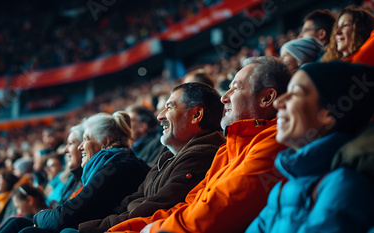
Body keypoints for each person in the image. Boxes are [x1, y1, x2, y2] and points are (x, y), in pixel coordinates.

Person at [108, 56, 290, 233]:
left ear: (267, 98)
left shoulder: (275, 143)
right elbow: (188, 206)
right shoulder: (225, 150)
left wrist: (151, 230)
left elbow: (212, 216)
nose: (224, 97)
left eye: (235, 88)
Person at [78, 82, 226, 233]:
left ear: (196, 115)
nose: (160, 115)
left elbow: (149, 210)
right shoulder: (167, 158)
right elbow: (130, 202)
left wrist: (87, 229)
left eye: (169, 107)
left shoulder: (202, 155)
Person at [246, 61, 374, 232]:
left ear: (328, 113)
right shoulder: (283, 185)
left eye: (295, 93)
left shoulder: (344, 185)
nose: (278, 102)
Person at [0, 111, 150, 233]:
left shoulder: (115, 169)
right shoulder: (117, 163)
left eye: (86, 139)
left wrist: (38, 216)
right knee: (17, 223)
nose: (81, 147)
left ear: (105, 142)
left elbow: (62, 218)